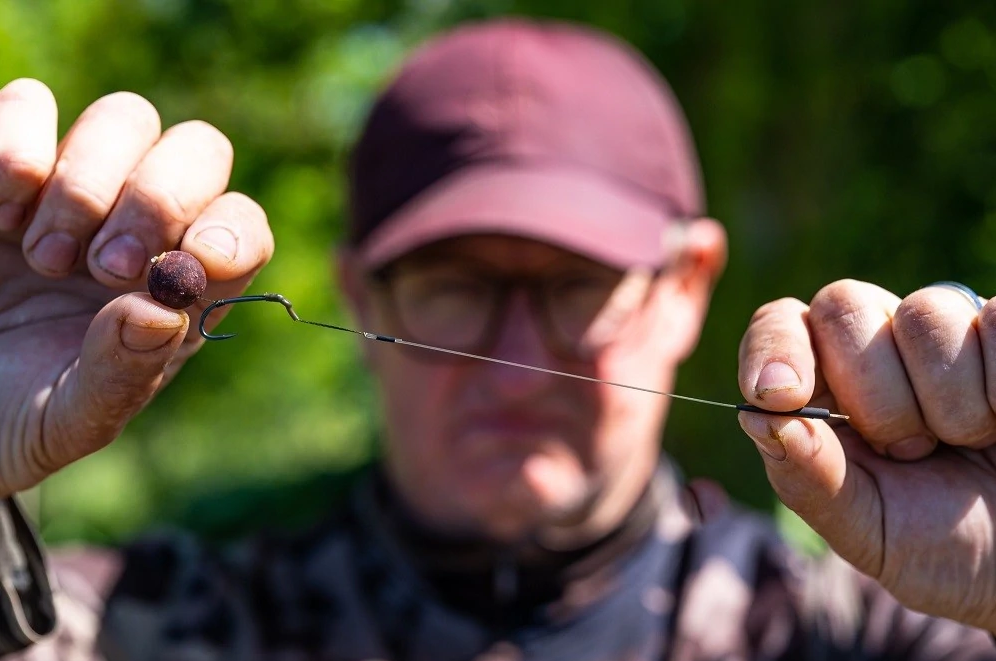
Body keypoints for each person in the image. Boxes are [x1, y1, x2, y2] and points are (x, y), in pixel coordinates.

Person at [0, 16, 995, 660]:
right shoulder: (144, 625)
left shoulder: (873, 631)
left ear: (685, 290)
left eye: (577, 282)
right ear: (360, 296)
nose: (516, 353)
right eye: (452, 283)